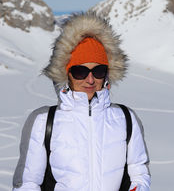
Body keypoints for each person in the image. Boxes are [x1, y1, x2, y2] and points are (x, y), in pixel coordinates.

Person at [12, 13, 151, 191]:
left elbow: (139, 173)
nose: (90, 80)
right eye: (80, 71)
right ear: (66, 73)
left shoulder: (126, 118)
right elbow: (28, 183)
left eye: (99, 71)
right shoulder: (43, 122)